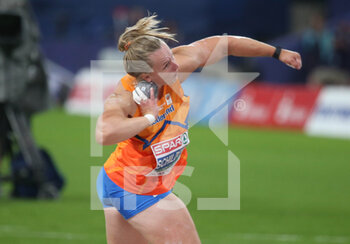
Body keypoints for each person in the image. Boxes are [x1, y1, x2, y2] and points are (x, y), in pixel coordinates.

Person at [96, 14, 302, 244]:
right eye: (166, 64)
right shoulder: (126, 97)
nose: (176, 65)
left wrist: (277, 52)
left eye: (170, 55)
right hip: (134, 187)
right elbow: (104, 133)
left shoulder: (176, 66)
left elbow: (227, 44)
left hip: (118, 180)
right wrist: (148, 117)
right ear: (147, 76)